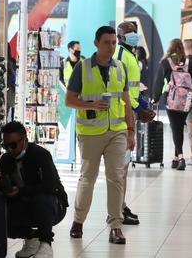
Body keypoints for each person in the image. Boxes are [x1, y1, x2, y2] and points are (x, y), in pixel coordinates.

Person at [66, 26, 136, 244]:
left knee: (116, 178)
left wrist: (131, 130)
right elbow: (69, 100)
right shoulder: (82, 68)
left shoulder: (121, 68)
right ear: (96, 43)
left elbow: (125, 102)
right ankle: (78, 221)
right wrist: (91, 104)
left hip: (117, 132)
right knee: (88, 178)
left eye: (114, 42)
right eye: (107, 42)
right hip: (90, 133)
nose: (111, 46)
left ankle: (116, 226)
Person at [0, 121, 68, 258]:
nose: (10, 150)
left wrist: (21, 191)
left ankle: (46, 244)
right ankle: (31, 238)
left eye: (13, 145)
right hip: (24, 204)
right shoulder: (5, 160)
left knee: (43, 199)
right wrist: (0, 186)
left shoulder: (41, 155)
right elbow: (6, 188)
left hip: (52, 206)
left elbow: (50, 186)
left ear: (24, 140)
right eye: (6, 146)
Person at [115, 21, 155, 226]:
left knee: (125, 165)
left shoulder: (131, 55)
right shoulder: (121, 55)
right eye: (129, 32)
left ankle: (120, 206)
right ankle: (117, 210)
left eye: (134, 31)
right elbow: (121, 89)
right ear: (120, 36)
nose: (133, 35)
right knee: (120, 166)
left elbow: (131, 87)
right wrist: (138, 108)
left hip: (131, 111)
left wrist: (141, 104)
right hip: (123, 114)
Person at [153, 39, 192, 170]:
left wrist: (155, 98)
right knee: (179, 127)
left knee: (176, 128)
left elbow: (158, 83)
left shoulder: (166, 62)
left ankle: (181, 157)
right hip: (186, 101)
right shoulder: (188, 63)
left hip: (171, 100)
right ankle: (175, 158)